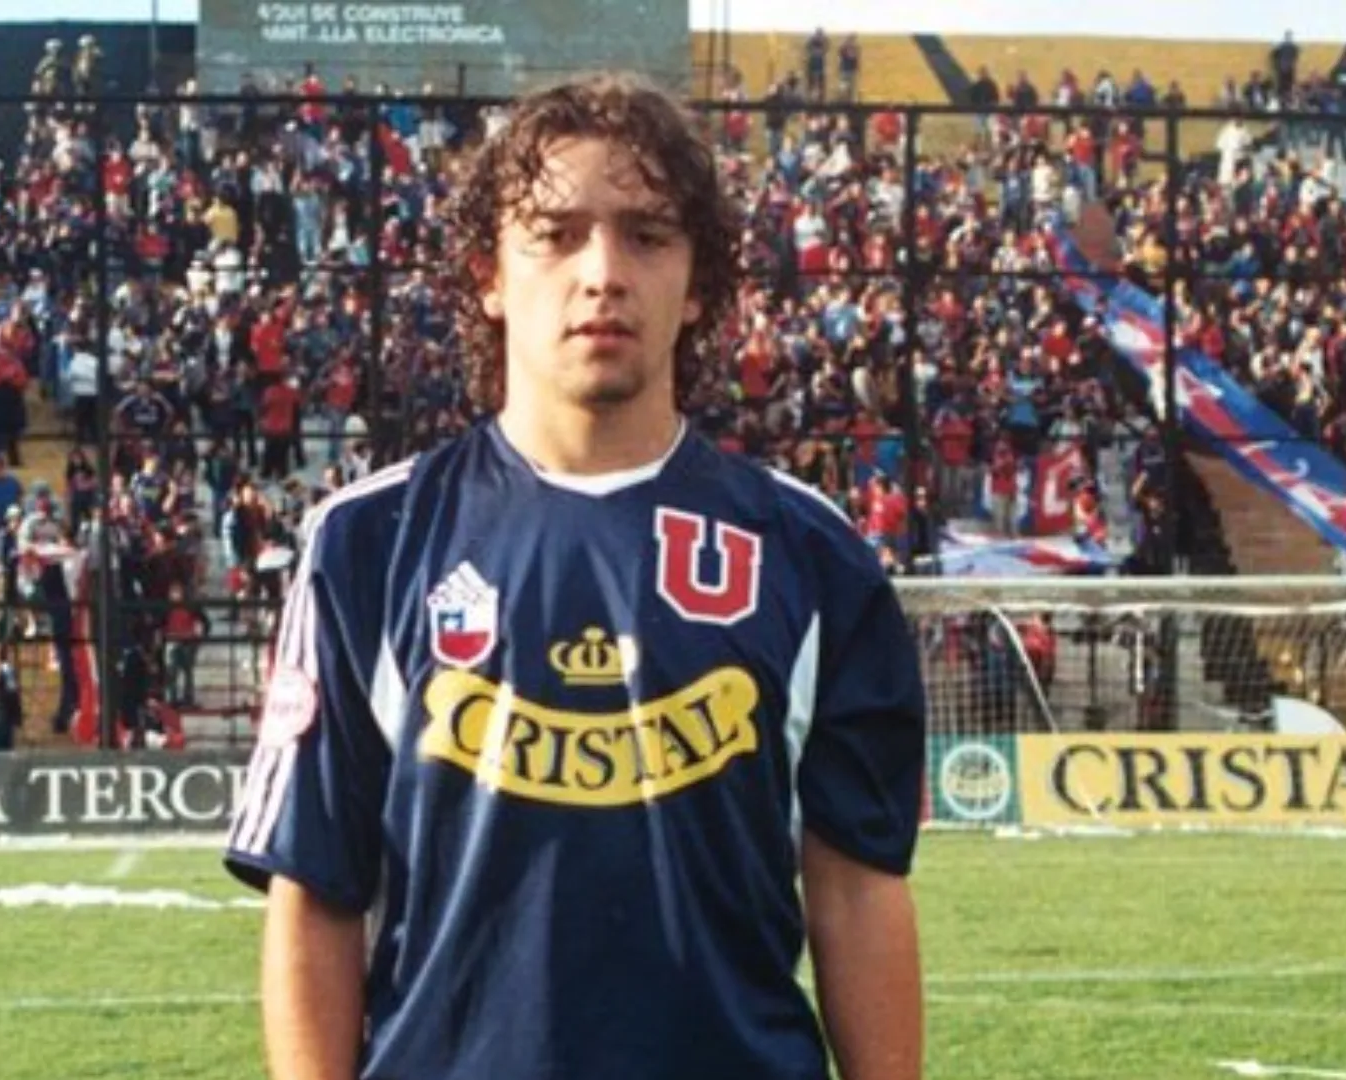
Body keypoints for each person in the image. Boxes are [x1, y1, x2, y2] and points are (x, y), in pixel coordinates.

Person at [224, 74, 925, 1080]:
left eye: (648, 235)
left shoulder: (813, 553)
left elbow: (857, 890)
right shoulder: (364, 544)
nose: (603, 273)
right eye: (556, 234)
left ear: (699, 281)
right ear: (488, 276)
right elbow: (315, 893)